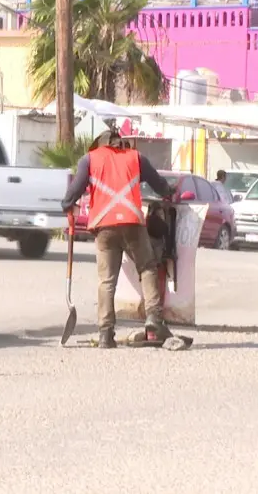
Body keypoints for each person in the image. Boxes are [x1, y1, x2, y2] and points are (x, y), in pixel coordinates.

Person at [61, 129, 177, 349]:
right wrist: (170, 192)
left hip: (103, 226)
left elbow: (74, 191)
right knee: (147, 267)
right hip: (132, 223)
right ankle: (154, 318)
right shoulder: (136, 157)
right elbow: (160, 185)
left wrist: (67, 205)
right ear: (120, 143)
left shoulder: (89, 159)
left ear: (100, 144)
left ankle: (105, 333)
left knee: (107, 280)